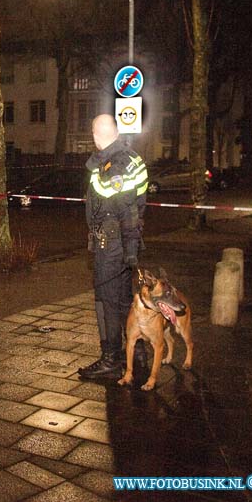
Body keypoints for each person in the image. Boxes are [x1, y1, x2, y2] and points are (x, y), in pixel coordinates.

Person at [78, 114, 149, 380]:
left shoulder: (115, 165)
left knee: (106, 301)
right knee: (123, 301)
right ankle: (137, 350)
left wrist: (129, 250)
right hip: (120, 242)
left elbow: (127, 211)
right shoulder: (128, 157)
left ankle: (110, 359)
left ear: (96, 134)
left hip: (113, 243)